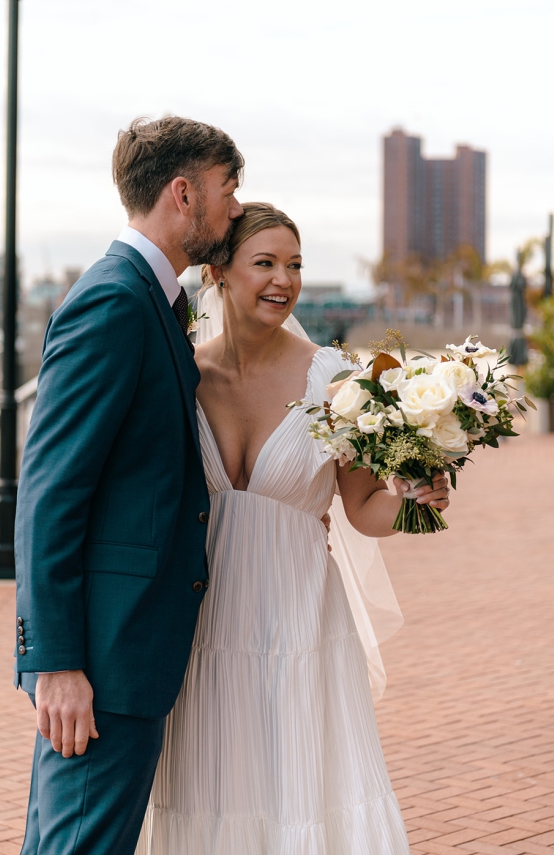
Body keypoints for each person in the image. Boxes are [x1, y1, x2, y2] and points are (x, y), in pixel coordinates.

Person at [136, 203, 448, 854]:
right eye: (266, 263)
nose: (284, 279)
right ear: (219, 271)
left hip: (301, 619)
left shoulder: (335, 381)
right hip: (203, 625)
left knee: (301, 795)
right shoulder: (182, 372)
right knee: (210, 794)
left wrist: (419, 503)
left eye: (296, 264)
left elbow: (362, 506)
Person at [14, 115, 245, 855]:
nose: (235, 208)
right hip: (103, 661)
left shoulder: (153, 299)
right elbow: (50, 491)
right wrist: (55, 663)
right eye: (227, 189)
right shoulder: (114, 301)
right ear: (184, 193)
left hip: (128, 650)